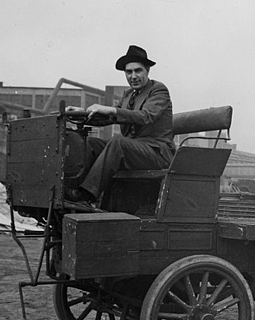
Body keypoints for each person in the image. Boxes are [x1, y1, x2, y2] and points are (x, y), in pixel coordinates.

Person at [65, 45, 175, 203]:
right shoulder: (128, 94)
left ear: (148, 71)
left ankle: (86, 194)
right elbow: (109, 117)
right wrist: (81, 113)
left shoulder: (158, 90)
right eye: (128, 72)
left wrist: (110, 110)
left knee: (118, 142)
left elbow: (145, 116)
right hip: (134, 150)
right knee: (90, 143)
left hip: (156, 153)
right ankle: (73, 188)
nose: (133, 76)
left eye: (138, 71)